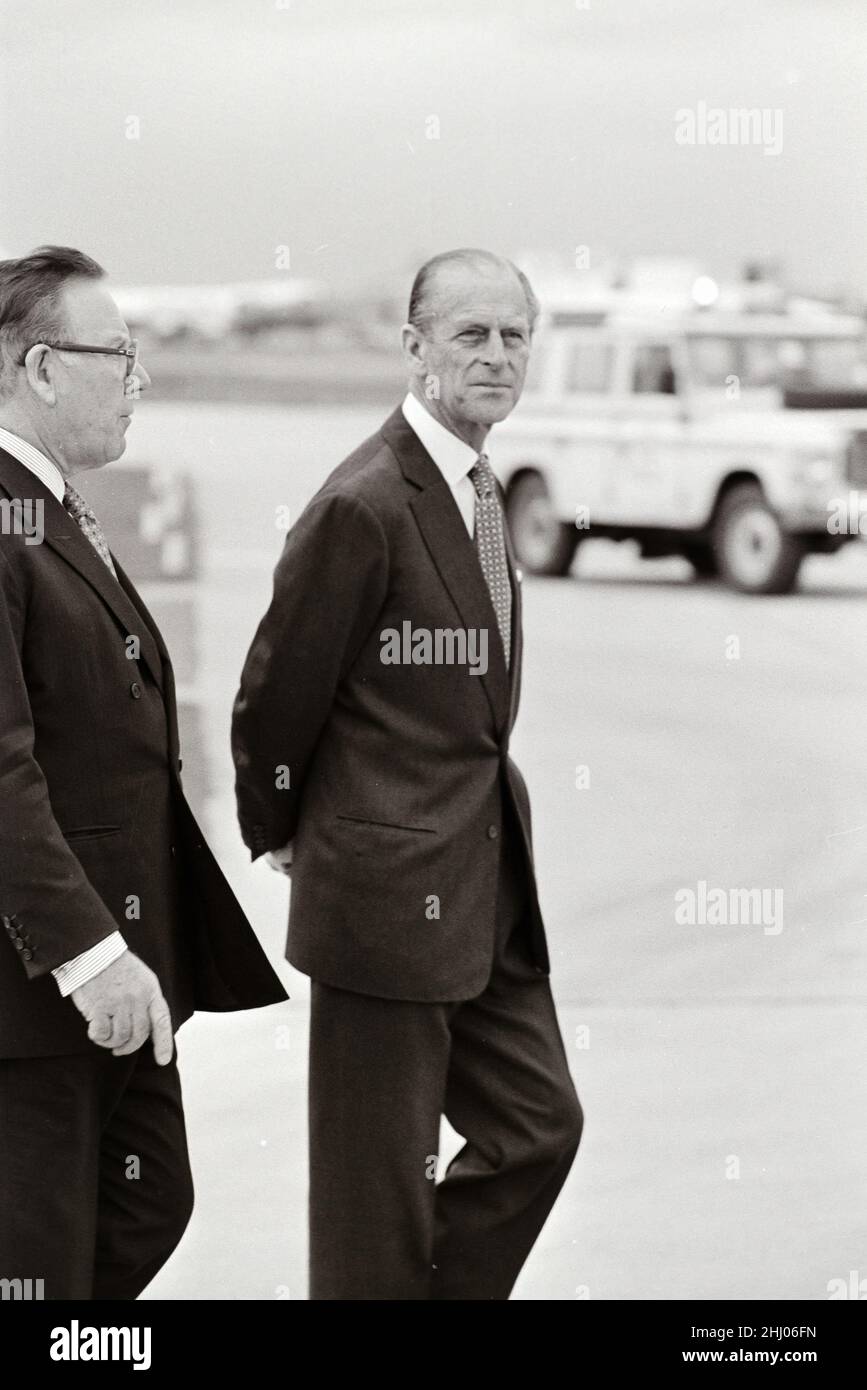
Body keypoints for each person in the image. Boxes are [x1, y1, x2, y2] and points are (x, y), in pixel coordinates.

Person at [232, 247, 583, 1300]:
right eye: (471, 334)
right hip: (382, 901)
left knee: (539, 1127)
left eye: (514, 336)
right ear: (415, 349)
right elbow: (275, 697)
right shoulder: (366, 503)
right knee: (369, 1201)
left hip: (485, 898)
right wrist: (288, 829)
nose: (495, 355)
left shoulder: (479, 491)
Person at [0, 246, 287, 1301]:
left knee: (145, 1202)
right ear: (38, 368)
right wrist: (87, 956)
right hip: (46, 987)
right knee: (37, 1260)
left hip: (124, 966)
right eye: (116, 353)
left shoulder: (51, 508)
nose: (140, 378)